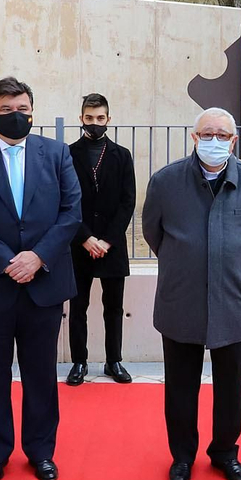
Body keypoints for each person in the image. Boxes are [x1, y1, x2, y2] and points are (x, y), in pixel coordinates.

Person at [0, 78, 81, 480]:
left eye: (22, 108)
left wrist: (38, 257)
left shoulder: (56, 153)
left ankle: (41, 451)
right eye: (6, 109)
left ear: (32, 110)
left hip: (44, 286)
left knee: (41, 374)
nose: (15, 115)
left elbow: (71, 212)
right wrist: (8, 262)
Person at [143, 108, 241, 480]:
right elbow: (154, 234)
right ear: (195, 138)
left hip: (231, 300)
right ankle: (182, 456)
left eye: (222, 135)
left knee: (231, 386)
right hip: (180, 300)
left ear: (234, 141)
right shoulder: (165, 182)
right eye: (207, 134)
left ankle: (225, 453)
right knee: (180, 386)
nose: (214, 141)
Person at [66, 93, 136, 386]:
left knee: (114, 307)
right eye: (89, 118)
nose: (95, 123)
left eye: (100, 118)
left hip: (112, 246)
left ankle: (113, 360)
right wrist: (85, 237)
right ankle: (78, 362)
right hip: (78, 245)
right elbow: (64, 201)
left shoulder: (121, 155)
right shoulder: (66, 154)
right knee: (77, 307)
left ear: (108, 119)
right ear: (81, 118)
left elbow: (127, 201)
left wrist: (106, 239)